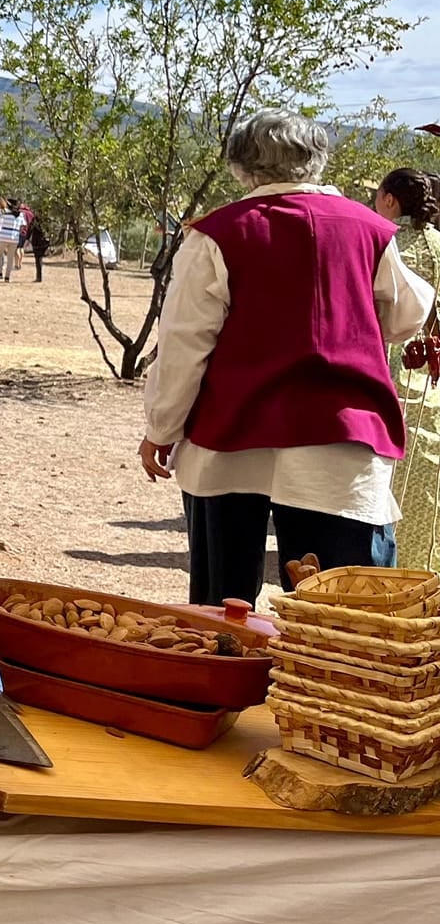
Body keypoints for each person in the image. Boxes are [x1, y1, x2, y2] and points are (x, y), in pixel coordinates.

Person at [140, 112, 433, 604]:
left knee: (222, 608)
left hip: (230, 442)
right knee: (340, 613)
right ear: (316, 162)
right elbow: (409, 312)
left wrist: (161, 429)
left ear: (241, 166)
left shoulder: (216, 234)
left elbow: (183, 345)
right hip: (340, 441)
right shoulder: (371, 231)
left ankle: (227, 678)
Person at [376, 167, 440, 575]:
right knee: (429, 478)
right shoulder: (438, 243)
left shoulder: (387, 243)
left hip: (391, 363)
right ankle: (426, 566)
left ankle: (387, 567)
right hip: (433, 373)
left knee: (389, 476)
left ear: (390, 201)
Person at [0, 201, 23, 281]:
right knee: (10, 257)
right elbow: (22, 226)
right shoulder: (20, 214)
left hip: (4, 236)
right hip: (14, 237)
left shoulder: (4, 211)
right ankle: (7, 276)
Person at [27, 212, 51, 283]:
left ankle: (39, 277)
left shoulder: (34, 220)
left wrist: (27, 239)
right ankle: (39, 277)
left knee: (38, 259)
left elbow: (30, 230)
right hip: (44, 241)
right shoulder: (47, 220)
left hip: (37, 242)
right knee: (39, 259)